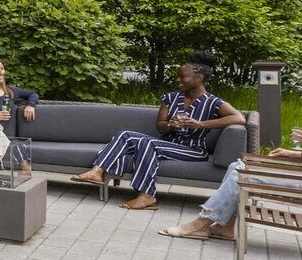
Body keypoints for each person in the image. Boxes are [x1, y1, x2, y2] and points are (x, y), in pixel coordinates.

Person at [161, 68, 302, 241]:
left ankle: (200, 224)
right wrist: (295, 155)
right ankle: (225, 227)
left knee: (239, 174)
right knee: (237, 166)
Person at [69, 53, 245, 210]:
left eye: (182, 77)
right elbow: (160, 126)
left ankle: (147, 195)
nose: (178, 80)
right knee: (125, 134)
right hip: (168, 144)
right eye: (177, 76)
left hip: (193, 150)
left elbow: (239, 118)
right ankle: (97, 171)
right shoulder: (170, 98)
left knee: (148, 143)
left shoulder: (213, 102)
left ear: (198, 78)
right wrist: (170, 125)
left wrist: (200, 124)